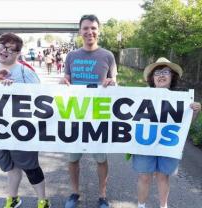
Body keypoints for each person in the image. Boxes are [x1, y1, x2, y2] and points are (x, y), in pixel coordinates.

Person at [59, 14, 117, 208]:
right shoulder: (71, 56)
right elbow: (66, 79)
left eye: (93, 28)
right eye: (85, 28)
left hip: (98, 117)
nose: (89, 32)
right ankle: (74, 193)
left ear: (98, 31)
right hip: (76, 116)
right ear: (80, 31)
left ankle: (102, 195)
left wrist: (112, 83)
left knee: (101, 159)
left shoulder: (108, 55)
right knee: (73, 159)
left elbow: (115, 83)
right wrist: (63, 82)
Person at [133, 57, 201, 208]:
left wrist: (194, 111)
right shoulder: (139, 95)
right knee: (144, 177)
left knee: (163, 177)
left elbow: (185, 124)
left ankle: (163, 206)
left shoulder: (181, 99)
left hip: (167, 145)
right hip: (145, 144)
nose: (161, 75)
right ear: (152, 78)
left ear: (172, 77)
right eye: (157, 72)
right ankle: (141, 206)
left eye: (166, 72)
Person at [0, 33, 50, 208]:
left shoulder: (26, 72)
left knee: (30, 167)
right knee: (9, 167)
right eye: (1, 46)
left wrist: (16, 90)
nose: (4, 51)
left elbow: (43, 99)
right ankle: (13, 198)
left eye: (10, 49)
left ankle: (43, 201)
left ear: (18, 53)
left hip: (22, 130)